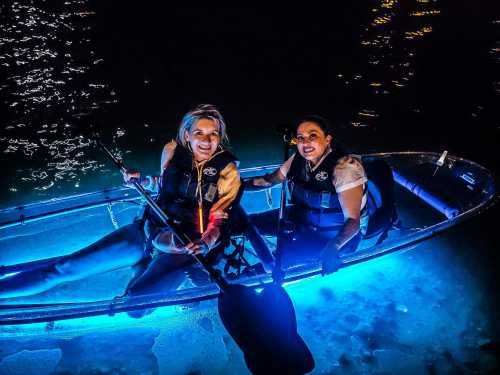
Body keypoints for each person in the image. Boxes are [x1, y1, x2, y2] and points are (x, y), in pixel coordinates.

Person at [0, 104, 242, 309]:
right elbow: (164, 184)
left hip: (180, 248)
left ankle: (160, 272)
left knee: (135, 307)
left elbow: (219, 219)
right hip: (147, 230)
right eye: (199, 133)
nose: (207, 141)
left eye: (214, 134)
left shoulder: (228, 172)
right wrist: (141, 180)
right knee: (61, 269)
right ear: (187, 134)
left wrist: (206, 241)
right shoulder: (171, 151)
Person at [244, 115, 368, 275]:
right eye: (300, 137)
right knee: (248, 222)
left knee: (280, 262)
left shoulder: (344, 168)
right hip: (302, 219)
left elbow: (353, 221)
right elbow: (268, 181)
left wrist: (333, 247)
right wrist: (237, 186)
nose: (305, 142)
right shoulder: (297, 159)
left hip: (332, 234)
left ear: (327, 139)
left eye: (313, 135)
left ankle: (248, 278)